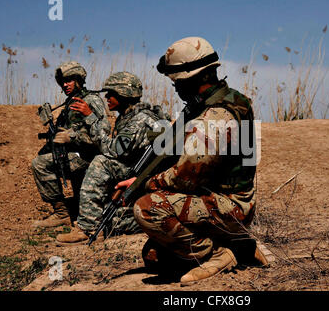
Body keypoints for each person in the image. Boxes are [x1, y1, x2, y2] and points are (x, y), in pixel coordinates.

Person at [120, 37, 270, 284]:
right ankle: (241, 246)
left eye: (178, 82)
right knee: (155, 256)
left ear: (198, 77)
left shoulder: (213, 117)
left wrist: (142, 185)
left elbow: (183, 178)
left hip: (230, 207)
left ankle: (219, 254)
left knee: (147, 208)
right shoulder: (234, 99)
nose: (176, 89)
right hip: (229, 200)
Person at [55, 71, 170, 245]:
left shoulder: (139, 120)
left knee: (102, 162)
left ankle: (88, 229)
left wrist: (91, 118)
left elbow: (112, 151)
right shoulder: (131, 116)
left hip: (147, 177)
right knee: (112, 220)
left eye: (112, 94)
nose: (107, 97)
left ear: (124, 95)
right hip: (143, 175)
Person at [31, 61, 110, 229]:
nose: (65, 85)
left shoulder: (91, 100)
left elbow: (103, 132)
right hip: (75, 153)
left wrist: (71, 137)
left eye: (69, 80)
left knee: (40, 165)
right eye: (62, 82)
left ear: (78, 79)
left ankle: (62, 214)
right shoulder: (70, 103)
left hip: (89, 156)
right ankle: (73, 210)